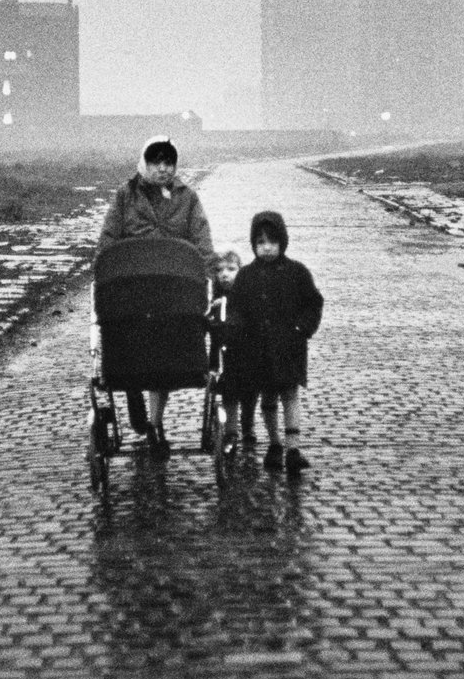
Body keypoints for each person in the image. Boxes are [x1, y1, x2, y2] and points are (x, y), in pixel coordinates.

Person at [97, 135, 214, 456]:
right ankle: (134, 389)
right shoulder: (126, 196)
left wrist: (210, 274)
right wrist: (106, 273)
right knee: (131, 347)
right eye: (156, 162)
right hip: (133, 288)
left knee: (166, 359)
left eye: (168, 163)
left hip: (171, 290)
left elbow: (201, 238)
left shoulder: (187, 198)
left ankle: (154, 423)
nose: (163, 169)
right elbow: (108, 238)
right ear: (144, 163)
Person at [226, 211, 323, 475]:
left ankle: (293, 447)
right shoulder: (246, 276)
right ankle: (274, 443)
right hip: (258, 348)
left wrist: (302, 327)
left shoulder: (297, 272)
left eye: (272, 242)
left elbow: (313, 302)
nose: (266, 248)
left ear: (282, 242)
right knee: (267, 396)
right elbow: (236, 307)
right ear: (253, 245)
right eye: (260, 242)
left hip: (289, 346)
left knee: (290, 394)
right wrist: (237, 329)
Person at [206, 248, 257, 452]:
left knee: (251, 393)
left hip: (247, 351)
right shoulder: (213, 297)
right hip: (223, 354)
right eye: (219, 270)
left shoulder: (246, 294)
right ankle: (231, 431)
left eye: (231, 269)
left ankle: (248, 424)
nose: (224, 274)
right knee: (230, 392)